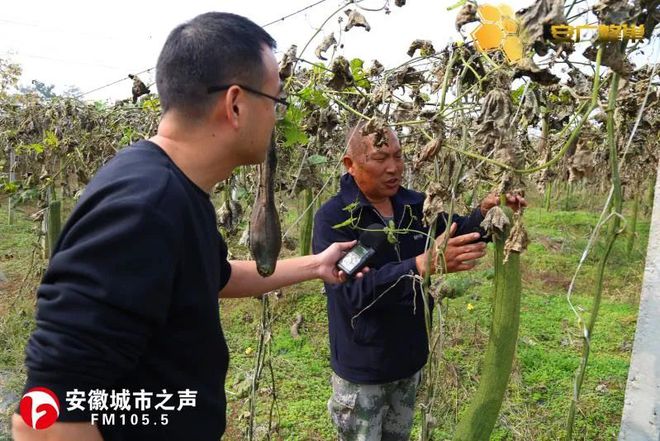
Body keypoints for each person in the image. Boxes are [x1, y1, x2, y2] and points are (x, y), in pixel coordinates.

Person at [12, 12, 362, 441]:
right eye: (275, 101)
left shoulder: (174, 190)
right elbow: (43, 420)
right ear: (235, 104)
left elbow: (216, 276)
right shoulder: (144, 208)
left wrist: (316, 265)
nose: (276, 118)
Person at [312, 123, 526, 440]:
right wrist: (420, 265)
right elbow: (351, 292)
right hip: (364, 373)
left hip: (409, 362)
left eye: (398, 156)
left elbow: (457, 232)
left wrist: (484, 212)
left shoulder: (415, 206)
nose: (394, 168)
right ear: (350, 164)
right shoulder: (336, 218)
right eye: (380, 158)